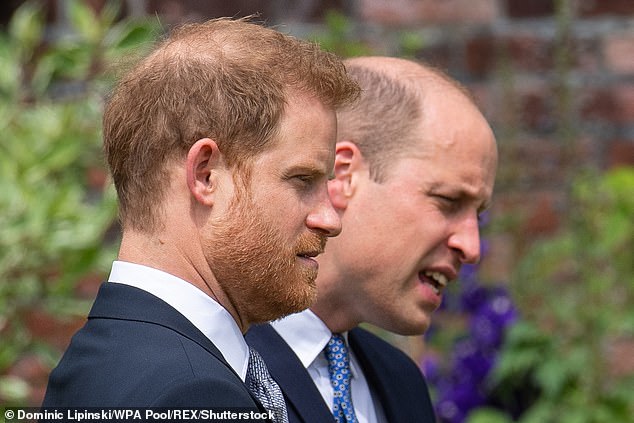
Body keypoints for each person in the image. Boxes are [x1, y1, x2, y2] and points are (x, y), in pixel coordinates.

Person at [42, 17, 359, 417]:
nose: (331, 218)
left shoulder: (108, 357)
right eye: (302, 179)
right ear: (205, 174)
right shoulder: (190, 394)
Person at [246, 56, 498, 423]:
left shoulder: (402, 384)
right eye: (448, 201)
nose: (471, 247)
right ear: (344, 174)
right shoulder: (214, 360)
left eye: (477, 215)